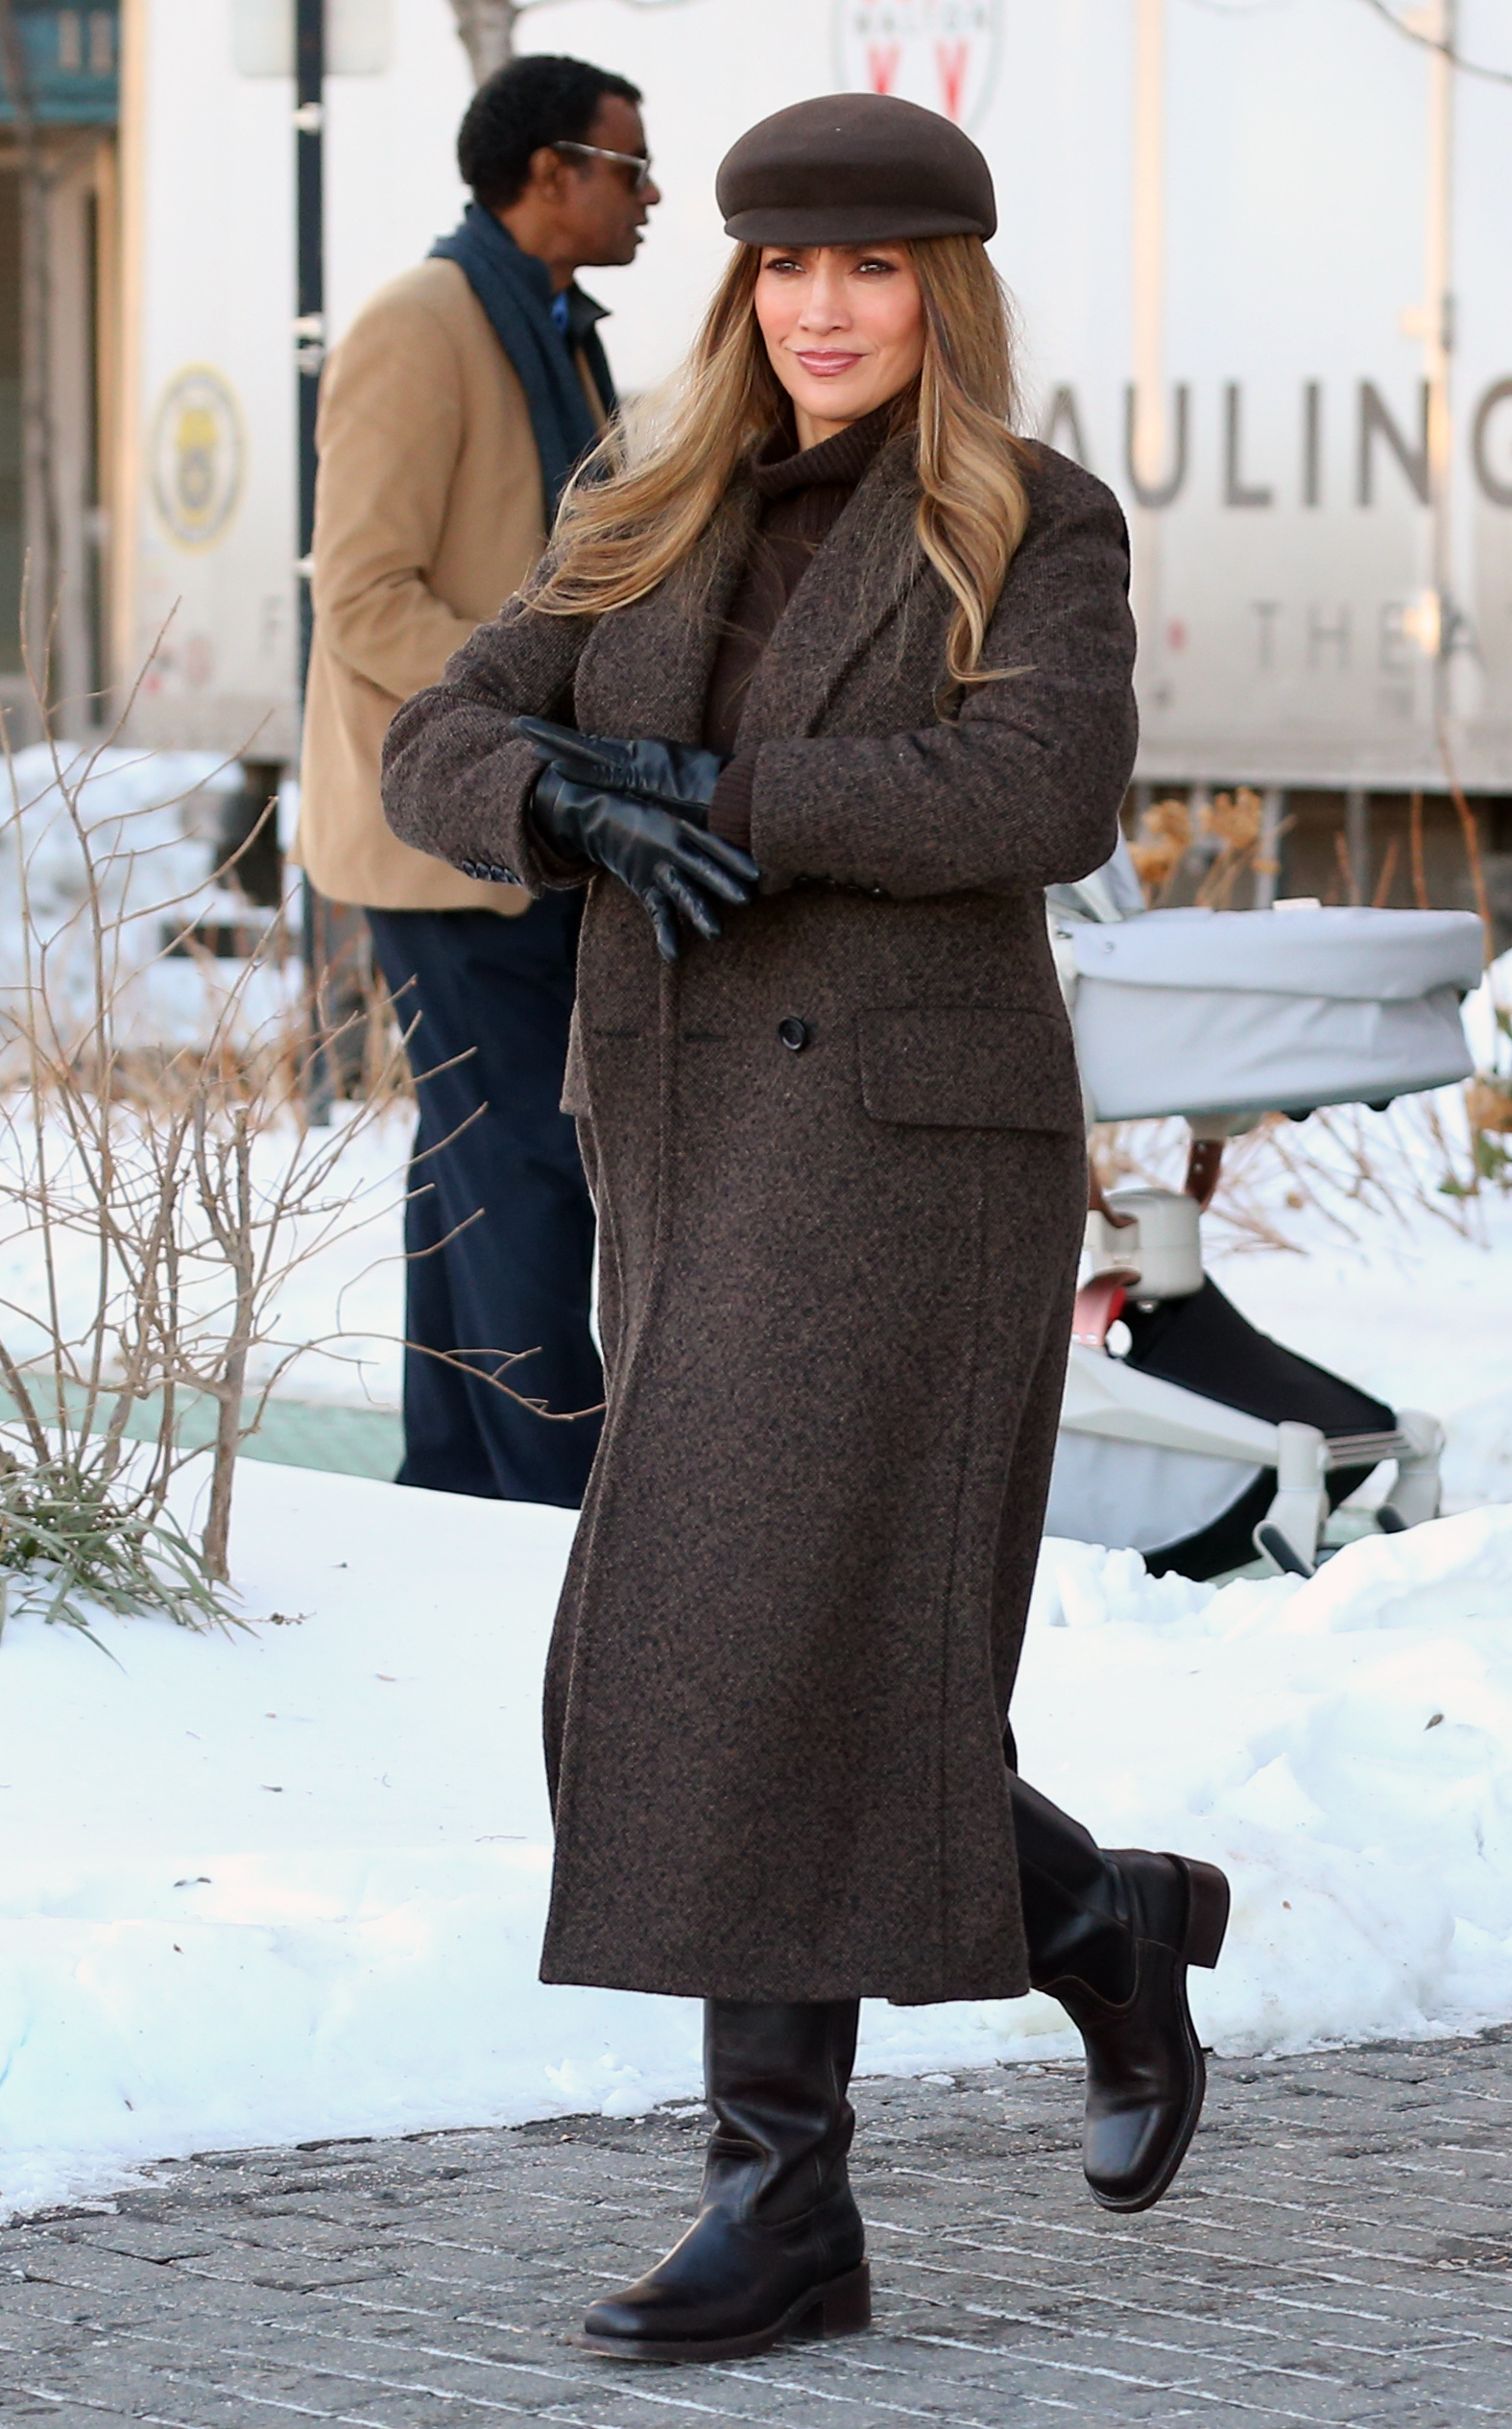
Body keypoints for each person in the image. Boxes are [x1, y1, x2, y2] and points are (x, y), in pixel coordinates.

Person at [381, 92, 1230, 2364]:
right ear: (741, 286)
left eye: (867, 271)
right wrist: (558, 790)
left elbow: (1035, 791)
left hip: (901, 1159)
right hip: (679, 1138)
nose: (821, 309)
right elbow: (429, 737)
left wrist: (725, 793)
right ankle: (1096, 1925)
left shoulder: (1031, 522)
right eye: (783, 268)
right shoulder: (636, 502)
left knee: (749, 1636)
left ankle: (780, 2197)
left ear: (935, 291)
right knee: (776, 1642)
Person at [295, 54, 660, 1507]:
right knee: (521, 1167)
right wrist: (547, 722)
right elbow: (365, 601)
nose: (650, 195)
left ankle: (451, 1481)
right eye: (631, 167)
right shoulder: (418, 327)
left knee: (473, 1171)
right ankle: (546, 1506)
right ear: (552, 169)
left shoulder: (554, 330)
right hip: (444, 833)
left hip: (526, 824)